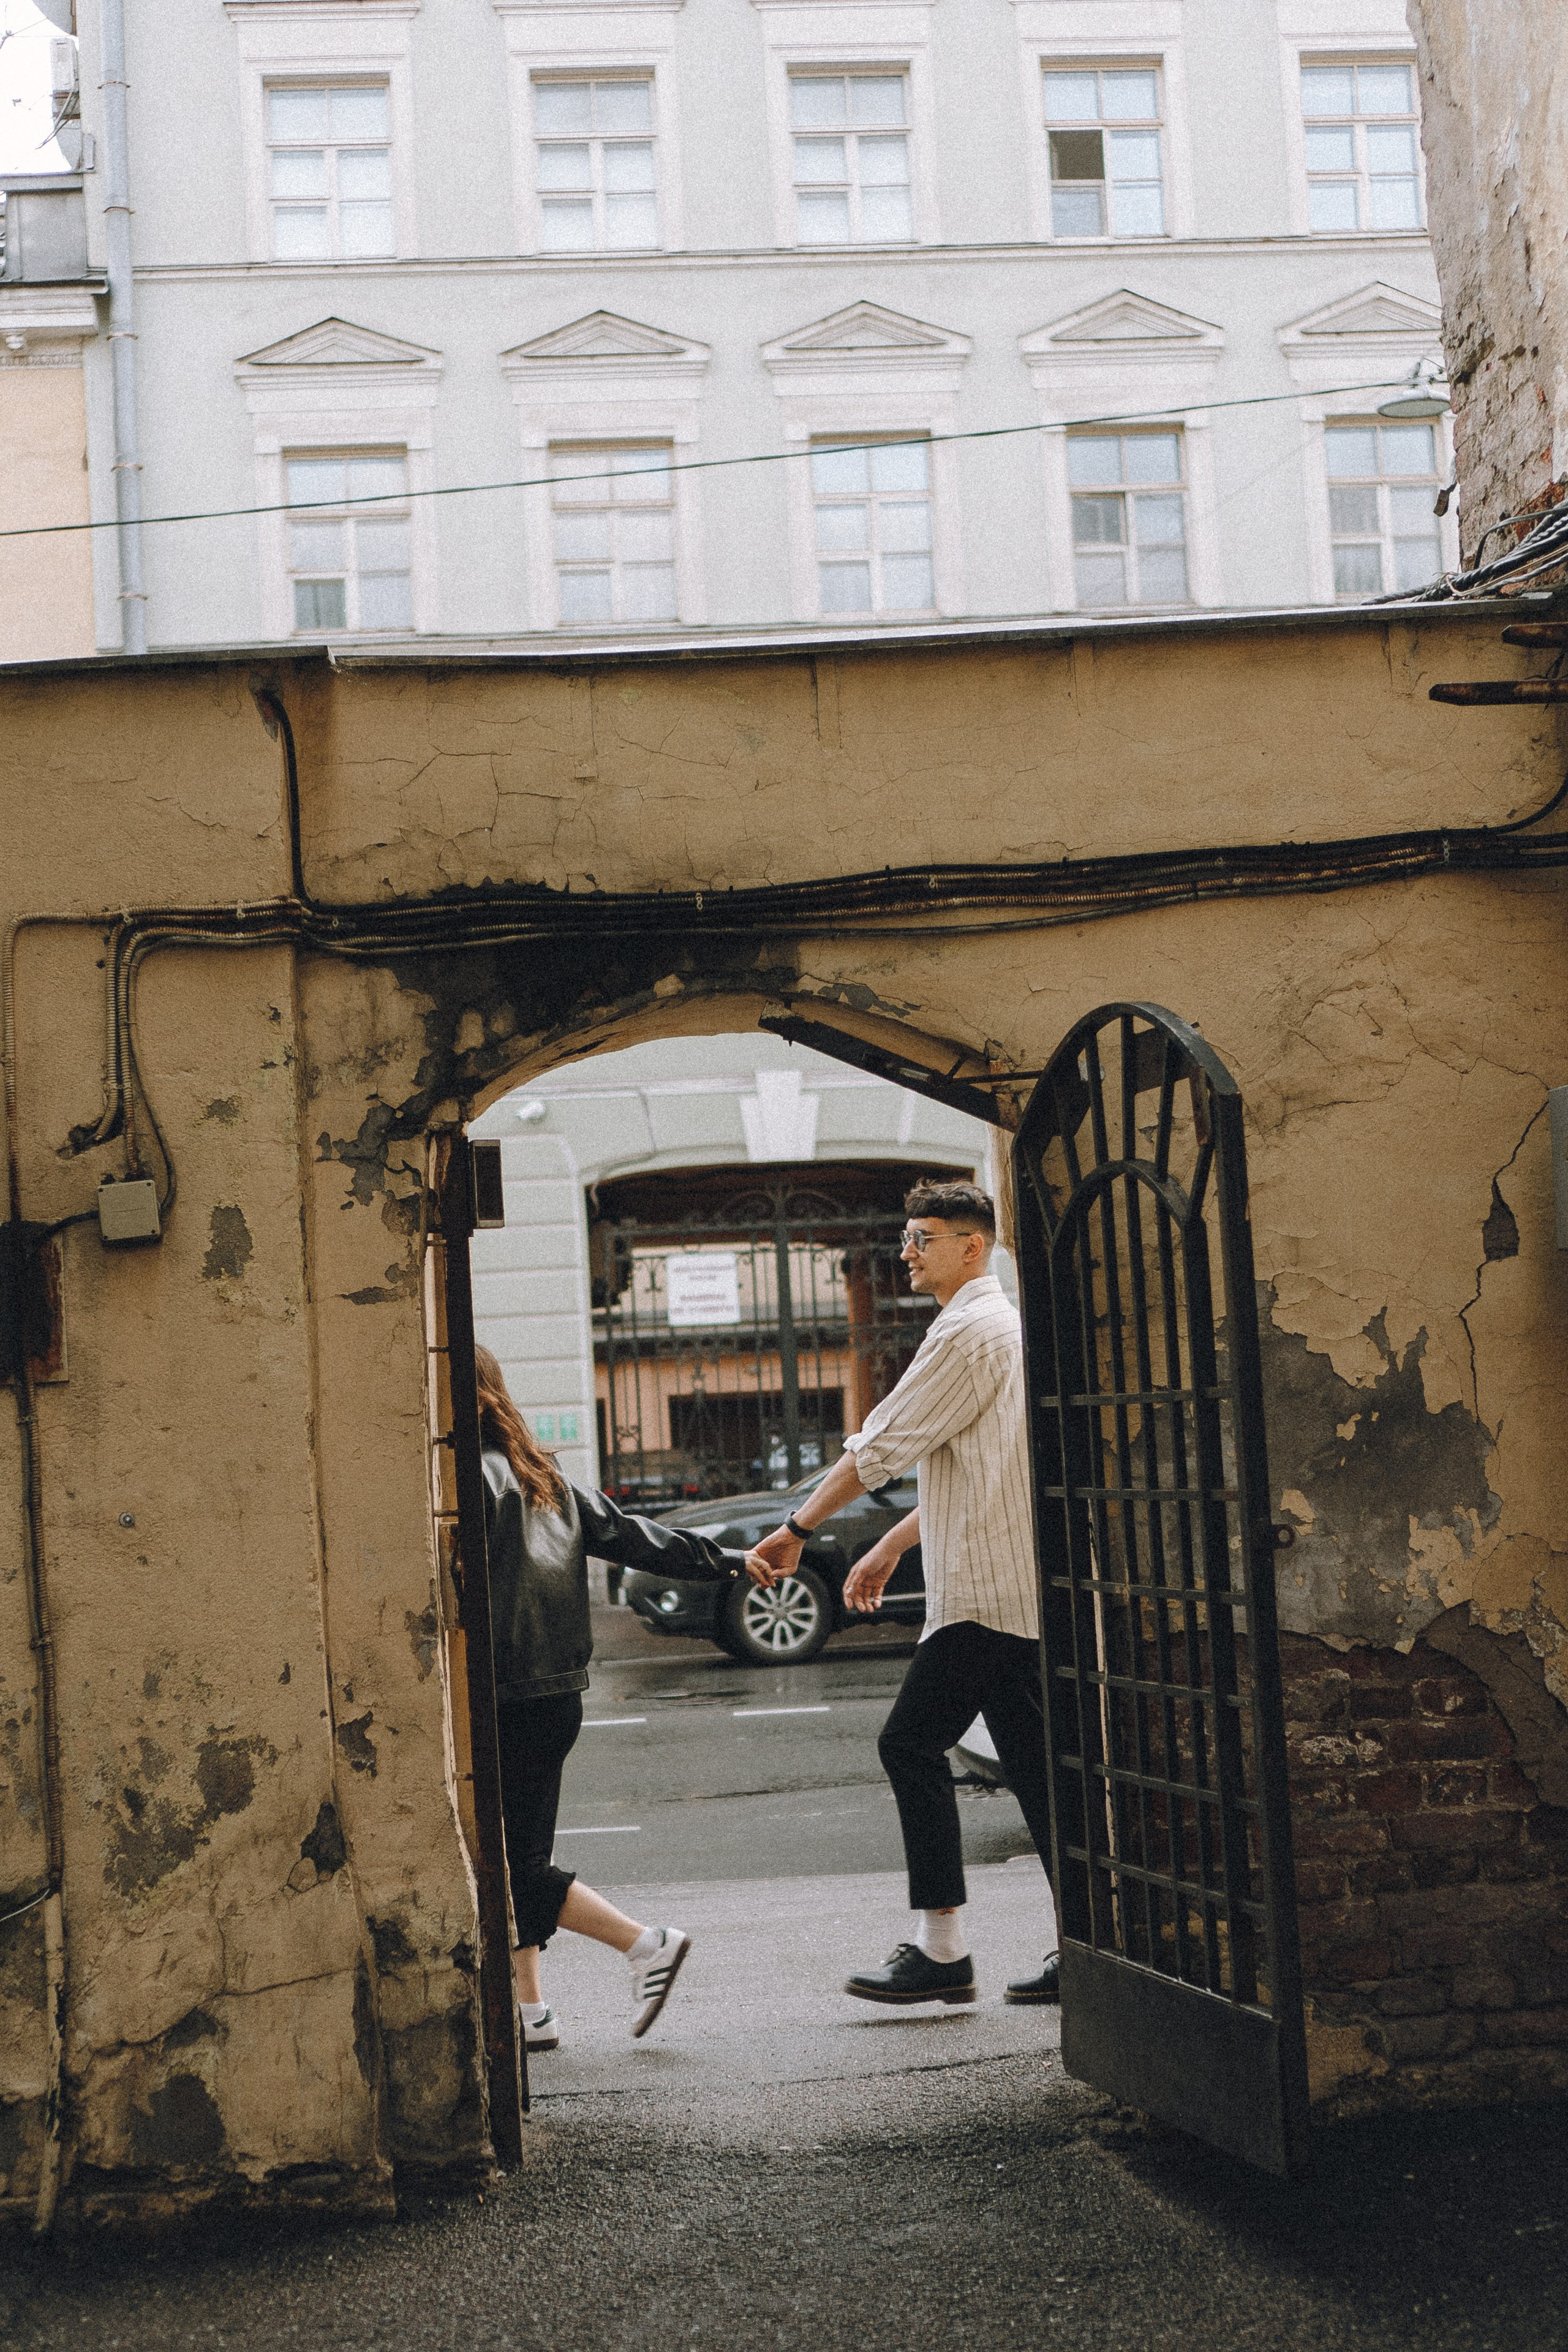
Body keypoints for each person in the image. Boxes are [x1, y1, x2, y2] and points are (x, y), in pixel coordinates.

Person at [751, 1181, 1059, 2009]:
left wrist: (798, 1528)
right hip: (1007, 1582)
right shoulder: (1010, 1328)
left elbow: (881, 1445)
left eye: (923, 1236)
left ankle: (943, 1950)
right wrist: (889, 1545)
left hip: (984, 1590)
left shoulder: (966, 1331)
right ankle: (1089, 1945)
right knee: (1037, 1769)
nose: (906, 1251)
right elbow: (973, 1467)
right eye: (906, 1236)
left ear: (973, 1246)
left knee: (909, 1746)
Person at [475, 1345, 763, 2048]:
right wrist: (727, 1561)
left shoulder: (466, 1481)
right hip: (557, 1694)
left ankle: (645, 1943)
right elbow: (638, 1539)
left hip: (505, 1694)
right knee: (521, 1853)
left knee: (509, 1865)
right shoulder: (540, 1474)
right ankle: (531, 2011)